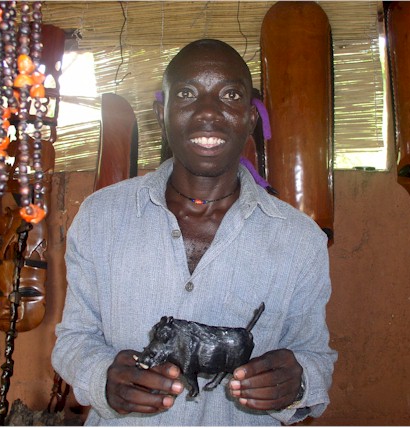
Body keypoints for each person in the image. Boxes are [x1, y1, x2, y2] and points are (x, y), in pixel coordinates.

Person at [51, 39, 337, 426]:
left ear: (250, 119)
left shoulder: (301, 241)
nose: (208, 112)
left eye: (230, 95)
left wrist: (299, 382)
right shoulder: (100, 217)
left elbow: (315, 356)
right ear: (161, 114)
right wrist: (102, 377)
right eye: (187, 93)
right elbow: (74, 338)